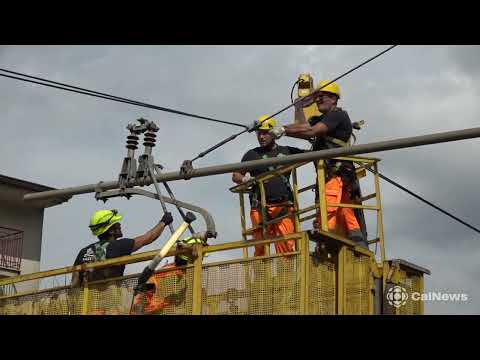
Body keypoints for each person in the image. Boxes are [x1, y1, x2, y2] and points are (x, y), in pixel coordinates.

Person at [268, 81, 368, 248]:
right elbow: (303, 127)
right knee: (345, 212)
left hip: (337, 175)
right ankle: (359, 246)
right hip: (333, 176)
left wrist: (284, 130)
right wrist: (299, 107)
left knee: (327, 210)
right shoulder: (321, 118)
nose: (319, 99)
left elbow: (313, 131)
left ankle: (327, 245)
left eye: (323, 96)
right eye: (317, 97)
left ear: (334, 99)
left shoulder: (338, 115)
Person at [232, 115, 304, 256]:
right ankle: (261, 276)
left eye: (265, 133)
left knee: (287, 247)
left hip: (283, 205)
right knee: (260, 246)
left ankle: (286, 276)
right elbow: (235, 175)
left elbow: (314, 153)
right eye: (259, 134)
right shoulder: (252, 155)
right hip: (260, 207)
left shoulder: (287, 151)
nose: (261, 137)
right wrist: (245, 178)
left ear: (273, 133)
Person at [71, 209, 174, 287]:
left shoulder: (83, 252)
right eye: (116, 224)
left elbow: (74, 283)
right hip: (111, 301)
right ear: (111, 231)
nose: (120, 224)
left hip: (88, 304)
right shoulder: (119, 245)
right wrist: (163, 222)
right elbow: (148, 237)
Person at [130, 236, 207, 315]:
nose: (201, 259)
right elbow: (144, 296)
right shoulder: (170, 273)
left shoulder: (188, 273)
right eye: (201, 256)